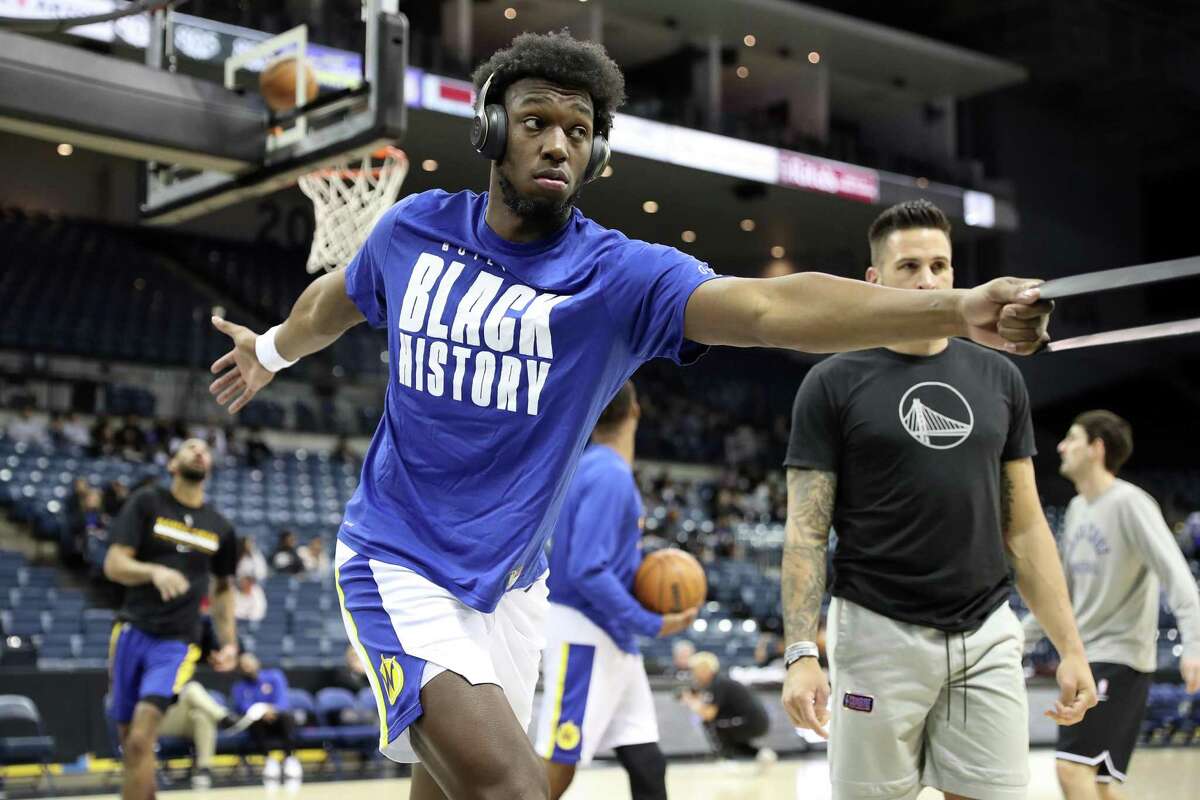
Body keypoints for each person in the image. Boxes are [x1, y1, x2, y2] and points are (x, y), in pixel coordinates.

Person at [207, 31, 1052, 800]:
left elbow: (767, 309)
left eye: (578, 132)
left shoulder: (616, 276)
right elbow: (335, 301)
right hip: (398, 564)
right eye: (536, 121)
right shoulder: (414, 231)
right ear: (493, 130)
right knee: (515, 791)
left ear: (597, 153)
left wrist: (949, 312)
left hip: (511, 590)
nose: (557, 142)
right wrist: (273, 350)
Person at [779, 200, 1097, 800]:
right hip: (876, 634)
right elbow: (805, 532)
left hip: (986, 633)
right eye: (909, 268)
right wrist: (800, 651)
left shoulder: (1001, 377)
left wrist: (1070, 648)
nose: (928, 281)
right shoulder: (832, 382)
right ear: (874, 281)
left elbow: (1025, 527)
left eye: (940, 266)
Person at [1024, 411, 1200, 798]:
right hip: (1084, 657)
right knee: (1102, 783)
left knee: (1072, 769)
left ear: (1097, 448)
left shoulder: (1131, 503)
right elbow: (1062, 592)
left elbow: (1178, 576)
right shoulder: (1077, 509)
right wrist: (1023, 636)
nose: (1061, 446)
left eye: (1072, 438)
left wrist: (1194, 645)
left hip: (1119, 658)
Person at [535, 381, 695, 800]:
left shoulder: (590, 466)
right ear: (635, 412)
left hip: (609, 635)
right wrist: (651, 621)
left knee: (645, 759)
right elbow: (588, 568)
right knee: (558, 761)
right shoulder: (608, 474)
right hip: (585, 632)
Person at [102, 439, 239, 800]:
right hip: (131, 632)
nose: (199, 451)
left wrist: (229, 642)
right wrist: (153, 573)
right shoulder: (147, 503)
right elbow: (114, 564)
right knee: (131, 745)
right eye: (189, 447)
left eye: (205, 449)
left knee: (142, 735)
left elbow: (224, 589)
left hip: (177, 643)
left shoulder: (220, 527)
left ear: (209, 467)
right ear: (172, 465)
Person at [680, 652, 772, 761]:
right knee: (721, 728)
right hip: (751, 720)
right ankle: (760, 755)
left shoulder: (718, 683)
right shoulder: (718, 682)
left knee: (712, 725)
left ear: (705, 668)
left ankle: (724, 758)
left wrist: (690, 701)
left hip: (753, 722)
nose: (694, 674)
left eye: (695, 670)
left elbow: (708, 715)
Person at [157, 681, 245, 790]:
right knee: (192, 688)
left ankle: (204, 769)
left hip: (178, 717)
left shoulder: (177, 671)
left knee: (202, 716)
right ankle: (224, 717)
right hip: (157, 721)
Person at [231, 652, 302, 783]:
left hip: (278, 718)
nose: (247, 667)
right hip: (259, 722)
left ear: (257, 663)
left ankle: (289, 758)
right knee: (254, 721)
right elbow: (242, 706)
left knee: (288, 717)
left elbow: (282, 700)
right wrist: (261, 712)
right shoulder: (239, 687)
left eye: (249, 663)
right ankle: (269, 761)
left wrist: (273, 709)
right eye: (244, 665)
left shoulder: (274, 676)